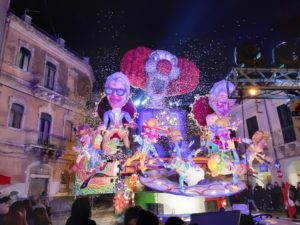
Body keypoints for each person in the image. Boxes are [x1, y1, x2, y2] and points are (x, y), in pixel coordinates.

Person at [102, 72, 136, 150]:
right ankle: (103, 152)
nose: (114, 94)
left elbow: (130, 120)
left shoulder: (125, 113)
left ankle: (128, 151)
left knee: (125, 137)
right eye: (110, 90)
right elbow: (105, 123)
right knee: (106, 137)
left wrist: (132, 123)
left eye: (120, 91)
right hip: (111, 128)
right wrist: (102, 127)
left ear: (127, 97)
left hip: (121, 128)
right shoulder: (107, 113)